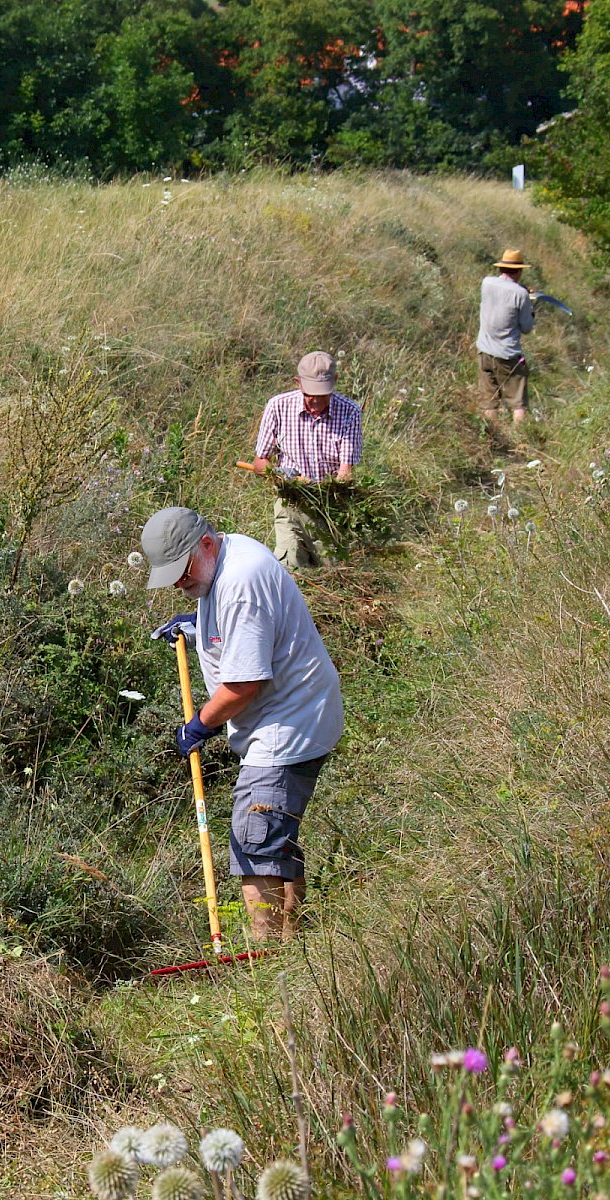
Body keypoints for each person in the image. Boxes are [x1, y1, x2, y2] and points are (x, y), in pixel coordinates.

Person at [140, 506, 344, 941]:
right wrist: (199, 625)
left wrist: (198, 725)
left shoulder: (241, 581)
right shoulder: (224, 562)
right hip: (292, 714)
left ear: (206, 544)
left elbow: (243, 685)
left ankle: (264, 949)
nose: (179, 583)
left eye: (182, 570)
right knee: (274, 836)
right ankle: (292, 942)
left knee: (256, 838)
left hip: (288, 723)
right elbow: (240, 628)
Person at [249, 350, 364, 571]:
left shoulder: (350, 411)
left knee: (331, 570)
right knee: (289, 566)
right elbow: (260, 462)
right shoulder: (278, 406)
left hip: (328, 507)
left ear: (335, 383)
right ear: (297, 383)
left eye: (323, 395)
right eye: (311, 394)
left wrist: (332, 486)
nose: (316, 401)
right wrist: (282, 476)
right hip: (290, 501)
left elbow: (346, 470)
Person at [477, 248, 537, 448]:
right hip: (508, 355)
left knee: (489, 401)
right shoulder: (521, 294)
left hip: (484, 351)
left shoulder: (486, 283)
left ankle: (493, 442)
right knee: (518, 403)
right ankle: (518, 443)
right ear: (519, 271)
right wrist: (530, 306)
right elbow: (526, 328)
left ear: (501, 267)